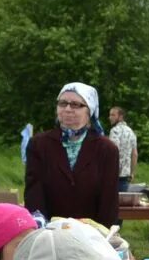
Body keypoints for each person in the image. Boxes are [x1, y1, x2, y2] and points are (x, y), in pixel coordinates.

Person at [24, 82, 120, 226]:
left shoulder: (106, 149)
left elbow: (109, 201)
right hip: (50, 233)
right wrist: (41, 228)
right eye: (63, 103)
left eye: (75, 105)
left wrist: (102, 236)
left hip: (92, 234)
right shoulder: (39, 144)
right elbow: (34, 194)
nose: (68, 109)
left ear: (90, 111)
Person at [108, 106, 138, 193]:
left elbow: (113, 151)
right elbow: (134, 154)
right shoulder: (131, 132)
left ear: (120, 117)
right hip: (125, 175)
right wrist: (132, 172)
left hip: (113, 174)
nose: (110, 117)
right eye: (110, 115)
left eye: (113, 115)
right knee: (122, 203)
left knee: (111, 203)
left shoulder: (114, 131)